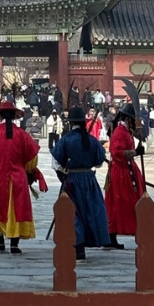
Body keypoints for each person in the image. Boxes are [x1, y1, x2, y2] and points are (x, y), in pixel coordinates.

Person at [0, 99, 44, 253]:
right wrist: (27, 168)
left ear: (0, 117)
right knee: (17, 208)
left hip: (0, 176)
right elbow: (32, 158)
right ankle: (14, 243)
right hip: (18, 177)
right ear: (14, 117)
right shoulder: (22, 135)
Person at [50, 107, 110, 260]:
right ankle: (84, 243)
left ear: (70, 123)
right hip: (89, 179)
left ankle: (78, 245)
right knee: (91, 211)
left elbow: (56, 162)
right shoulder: (92, 140)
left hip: (72, 180)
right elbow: (99, 162)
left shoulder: (66, 140)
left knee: (74, 213)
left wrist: (63, 175)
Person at [105, 104, 154, 248]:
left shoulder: (125, 131)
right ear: (128, 119)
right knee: (123, 203)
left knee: (135, 202)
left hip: (128, 170)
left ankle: (144, 233)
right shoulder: (119, 132)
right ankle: (113, 236)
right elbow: (117, 153)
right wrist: (135, 152)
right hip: (121, 172)